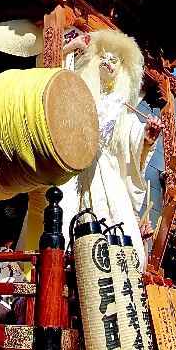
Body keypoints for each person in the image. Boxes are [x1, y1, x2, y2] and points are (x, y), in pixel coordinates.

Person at [59, 29, 162, 268]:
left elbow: (129, 134)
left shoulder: (120, 106)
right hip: (72, 159)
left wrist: (146, 137)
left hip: (105, 169)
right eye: (103, 56)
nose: (107, 62)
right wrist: (69, 50)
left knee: (115, 229)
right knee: (62, 213)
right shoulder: (79, 87)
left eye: (114, 59)